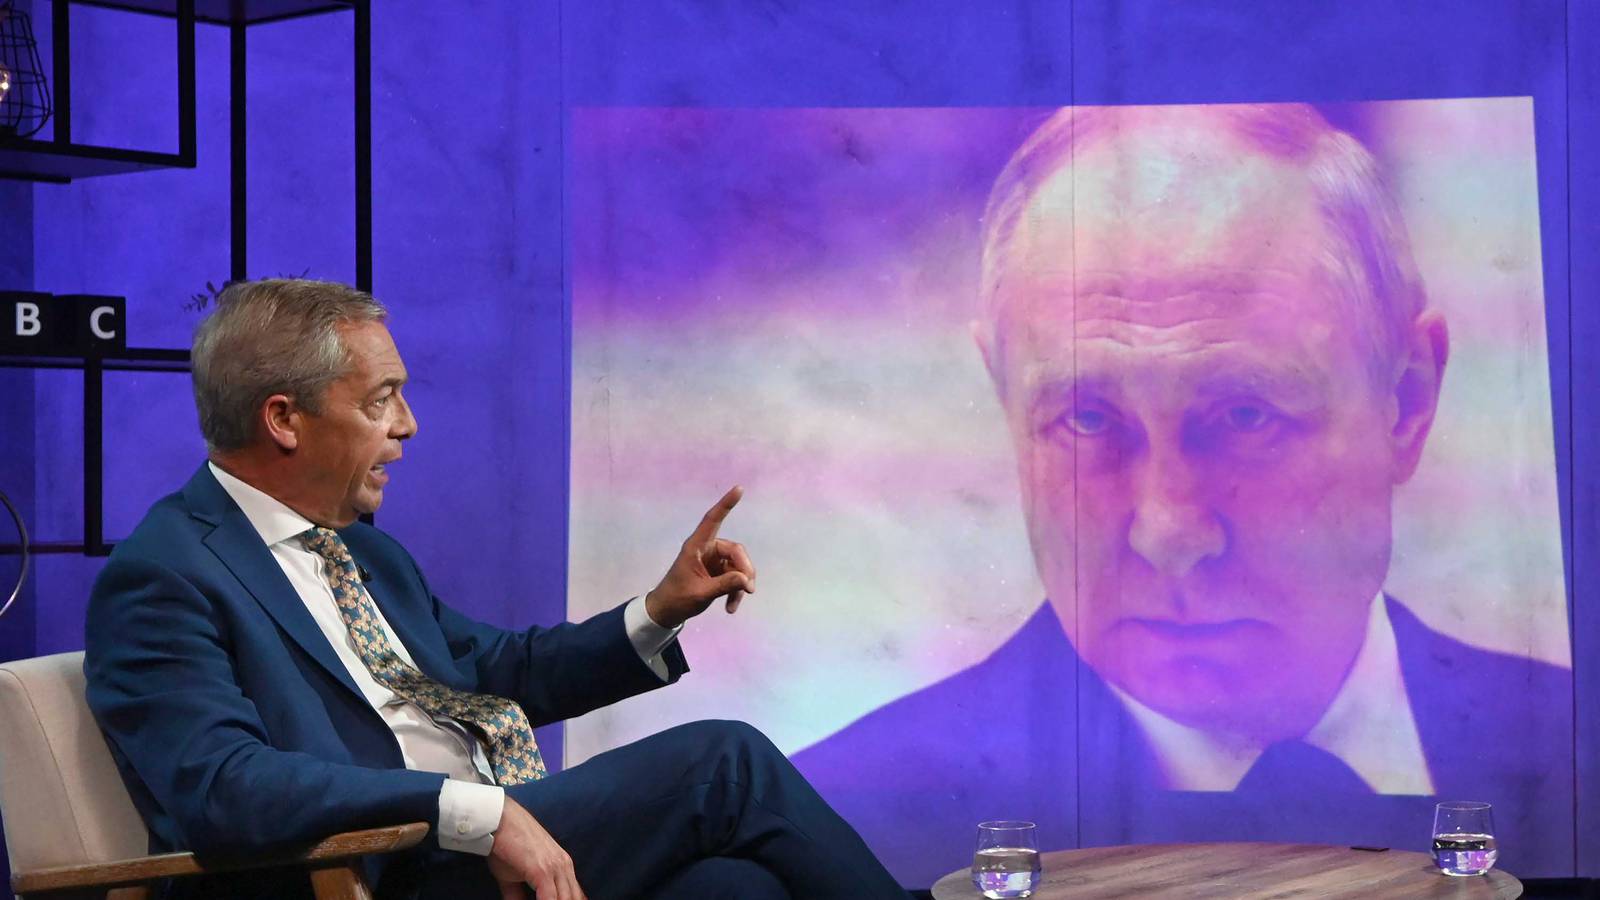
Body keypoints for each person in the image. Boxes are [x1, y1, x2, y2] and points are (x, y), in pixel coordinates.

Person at [793, 103, 1572, 887]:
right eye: (1087, 419)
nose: (1170, 531)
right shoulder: (838, 824)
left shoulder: (1576, 750)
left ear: (1406, 400)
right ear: (1004, 396)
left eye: (1245, 416)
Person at [84, 278, 909, 900]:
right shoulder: (165, 576)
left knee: (734, 887)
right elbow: (225, 787)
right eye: (382, 400)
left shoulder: (362, 551)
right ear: (284, 419)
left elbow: (494, 672)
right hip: (377, 872)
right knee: (724, 763)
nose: (408, 425)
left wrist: (659, 611)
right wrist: (473, 810)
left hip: (473, 851)